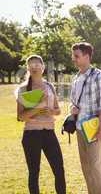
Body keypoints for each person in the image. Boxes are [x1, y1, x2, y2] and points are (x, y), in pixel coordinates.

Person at [16, 55, 66, 194]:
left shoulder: (50, 86)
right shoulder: (23, 89)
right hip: (31, 134)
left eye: (38, 65)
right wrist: (38, 106)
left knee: (59, 170)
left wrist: (51, 110)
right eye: (31, 65)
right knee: (34, 173)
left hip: (49, 133)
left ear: (43, 68)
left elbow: (58, 110)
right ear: (28, 69)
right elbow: (20, 117)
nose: (35, 68)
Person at [70, 42, 101, 194]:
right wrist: (72, 109)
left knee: (95, 165)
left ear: (86, 57)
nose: (73, 59)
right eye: (73, 56)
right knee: (86, 166)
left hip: (93, 127)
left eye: (76, 56)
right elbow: (74, 102)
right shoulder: (76, 78)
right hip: (79, 128)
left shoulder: (98, 75)